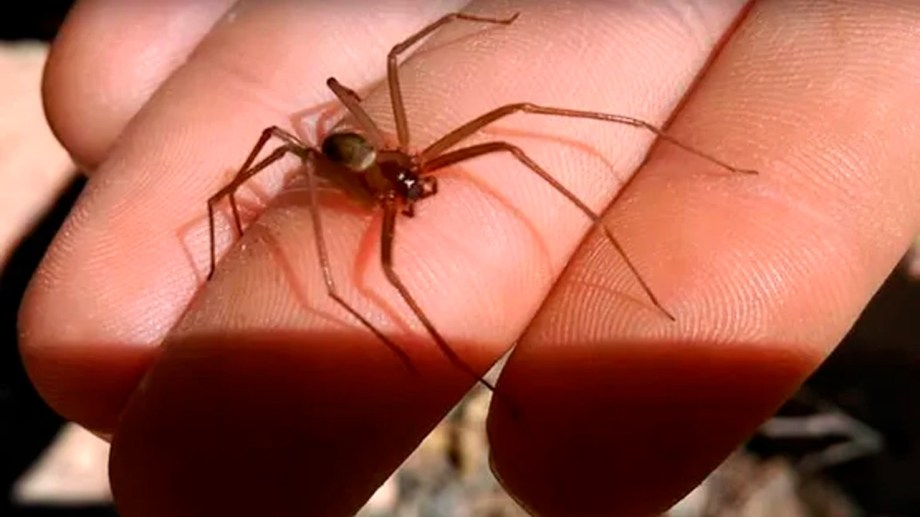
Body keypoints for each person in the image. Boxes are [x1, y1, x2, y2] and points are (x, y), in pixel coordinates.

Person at [20, 2, 919, 515]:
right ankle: (481, 380)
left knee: (518, 125)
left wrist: (485, 19)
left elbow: (439, 75)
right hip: (348, 162)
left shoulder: (415, 152)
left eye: (413, 177)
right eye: (408, 181)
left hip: (379, 150)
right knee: (367, 270)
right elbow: (331, 252)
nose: (418, 188)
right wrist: (245, 219)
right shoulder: (351, 178)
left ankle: (690, 159)